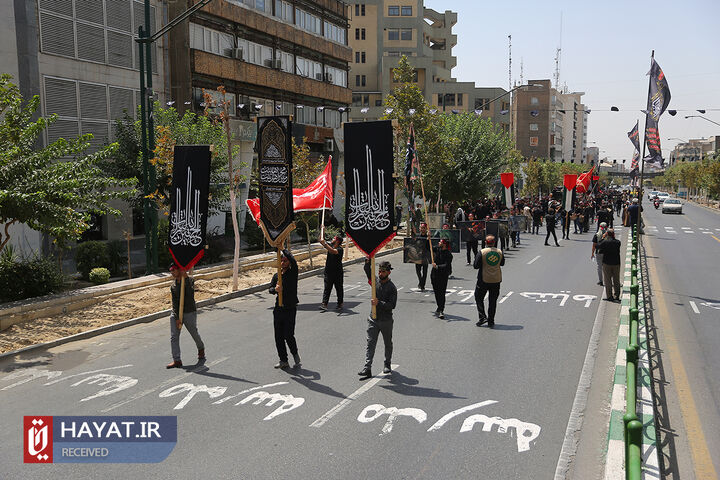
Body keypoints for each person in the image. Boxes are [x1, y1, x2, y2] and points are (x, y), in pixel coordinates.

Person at [358, 261, 397, 379]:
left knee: (387, 343)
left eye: (383, 271)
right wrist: (368, 260)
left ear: (389, 272)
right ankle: (367, 368)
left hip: (386, 320)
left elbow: (392, 305)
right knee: (370, 343)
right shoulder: (375, 282)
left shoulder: (392, 287)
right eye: (379, 271)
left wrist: (378, 303)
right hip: (373, 318)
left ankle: (387, 364)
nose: (380, 273)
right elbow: (367, 270)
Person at [166, 264, 205, 368]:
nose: (172, 273)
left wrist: (186, 278)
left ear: (179, 270)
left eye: (174, 270)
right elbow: (174, 302)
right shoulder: (173, 285)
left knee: (193, 332)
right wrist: (177, 317)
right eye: (171, 271)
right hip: (176, 314)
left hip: (189, 312)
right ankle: (177, 360)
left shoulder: (190, 281)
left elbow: (189, 295)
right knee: (174, 337)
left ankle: (201, 348)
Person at [269, 249, 301, 369]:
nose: (283, 262)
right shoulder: (277, 275)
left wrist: (281, 247)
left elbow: (293, 259)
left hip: (290, 308)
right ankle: (283, 360)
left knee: (288, 335)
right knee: (278, 336)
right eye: (281, 261)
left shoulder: (293, 273)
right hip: (278, 309)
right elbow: (270, 289)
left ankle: (294, 352)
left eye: (285, 261)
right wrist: (275, 290)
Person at [474, 235, 505, 328]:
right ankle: (491, 321)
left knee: (478, 297)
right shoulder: (499, 252)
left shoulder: (482, 252)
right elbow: (502, 263)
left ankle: (482, 316)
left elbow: (476, 265)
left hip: (483, 279)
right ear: (494, 242)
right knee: (493, 301)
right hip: (496, 280)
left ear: (485, 243)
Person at [319, 235, 344, 311]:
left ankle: (340, 303)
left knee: (339, 288)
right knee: (327, 288)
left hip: (337, 273)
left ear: (337, 241)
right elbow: (321, 240)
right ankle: (324, 304)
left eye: (334, 238)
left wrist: (325, 244)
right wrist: (322, 229)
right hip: (328, 272)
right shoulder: (330, 246)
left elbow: (332, 251)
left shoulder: (340, 249)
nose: (332, 239)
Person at [597, 229, 621, 301]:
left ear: (607, 234)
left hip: (607, 263)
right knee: (616, 280)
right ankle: (616, 295)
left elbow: (598, 246)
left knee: (608, 280)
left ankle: (609, 296)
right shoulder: (618, 242)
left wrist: (603, 238)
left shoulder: (605, 242)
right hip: (616, 263)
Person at [431, 239, 453, 319]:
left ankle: (441, 309)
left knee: (441, 293)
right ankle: (439, 306)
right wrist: (428, 237)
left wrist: (437, 266)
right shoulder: (437, 249)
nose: (438, 243)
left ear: (444, 244)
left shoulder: (448, 254)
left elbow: (446, 265)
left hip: (443, 276)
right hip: (434, 275)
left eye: (440, 242)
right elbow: (428, 246)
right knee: (436, 292)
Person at [414, 222, 430, 291]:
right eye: (421, 228)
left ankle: (422, 285)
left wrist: (428, 239)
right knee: (418, 271)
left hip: (425, 257)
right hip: (418, 257)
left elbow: (430, 247)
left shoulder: (428, 237)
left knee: (425, 272)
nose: (422, 229)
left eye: (424, 228)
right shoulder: (417, 236)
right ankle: (421, 282)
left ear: (426, 229)